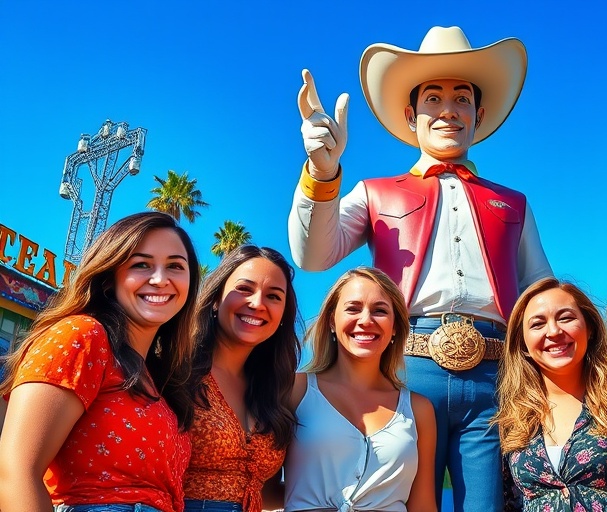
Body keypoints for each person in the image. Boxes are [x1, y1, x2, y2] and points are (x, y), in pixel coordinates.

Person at [286, 25, 552, 510]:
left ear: (480, 114)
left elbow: (540, 288)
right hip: (406, 369)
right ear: (412, 115)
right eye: (433, 97)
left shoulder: (514, 203)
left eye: (461, 99)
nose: (448, 110)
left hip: (496, 373)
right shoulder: (375, 191)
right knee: (401, 500)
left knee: (486, 505)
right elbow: (313, 255)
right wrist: (323, 173)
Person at [0, 211, 200, 512]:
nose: (160, 280)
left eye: (175, 266)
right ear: (109, 278)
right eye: (141, 265)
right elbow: (14, 472)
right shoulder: (82, 335)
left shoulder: (160, 378)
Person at [284, 267, 437, 512]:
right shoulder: (294, 390)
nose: (366, 320)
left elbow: (423, 505)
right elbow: (261, 488)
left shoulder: (419, 410)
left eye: (380, 311)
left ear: (395, 326)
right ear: (332, 321)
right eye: (353, 308)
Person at [495, 277, 607, 511]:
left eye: (566, 318)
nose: (553, 331)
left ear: (589, 328)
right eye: (537, 324)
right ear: (523, 343)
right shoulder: (510, 419)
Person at [183, 245, 301, 512]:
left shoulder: (275, 391)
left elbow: (268, 493)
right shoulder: (175, 372)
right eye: (245, 289)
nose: (257, 303)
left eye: (273, 296)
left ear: (283, 315)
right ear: (215, 299)